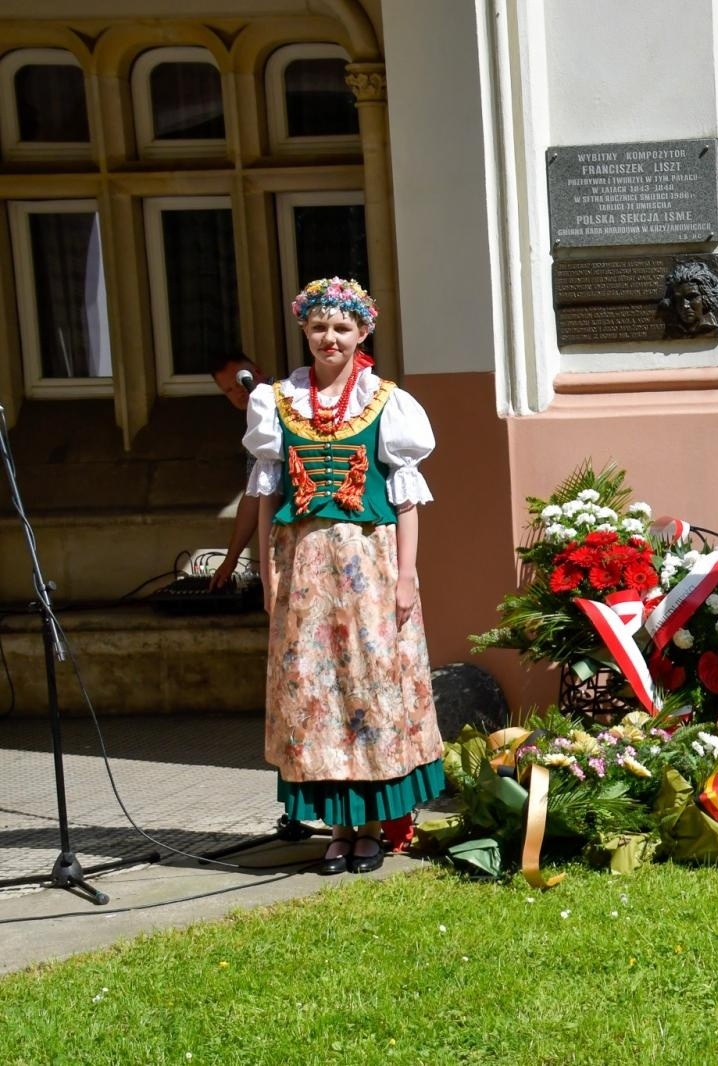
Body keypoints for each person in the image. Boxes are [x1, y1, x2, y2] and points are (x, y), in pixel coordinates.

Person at [242, 277, 444, 875]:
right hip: (302, 564)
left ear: (362, 334)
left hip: (370, 564)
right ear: (305, 332)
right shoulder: (278, 402)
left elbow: (407, 501)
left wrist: (406, 578)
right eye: (319, 327)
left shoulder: (387, 402)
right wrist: (265, 573)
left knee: (370, 685)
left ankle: (375, 829)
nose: (330, 338)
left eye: (342, 328)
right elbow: (264, 494)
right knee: (315, 694)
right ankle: (338, 829)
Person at [208, 352, 266, 591]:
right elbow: (254, 493)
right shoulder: (255, 421)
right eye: (229, 390)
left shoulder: (289, 399)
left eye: (242, 381)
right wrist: (230, 561)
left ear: (258, 373)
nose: (238, 392)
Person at [657, 260, 718, 338]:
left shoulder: (713, 329)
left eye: (692, 297)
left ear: (706, 298)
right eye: (678, 299)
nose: (685, 305)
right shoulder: (671, 329)